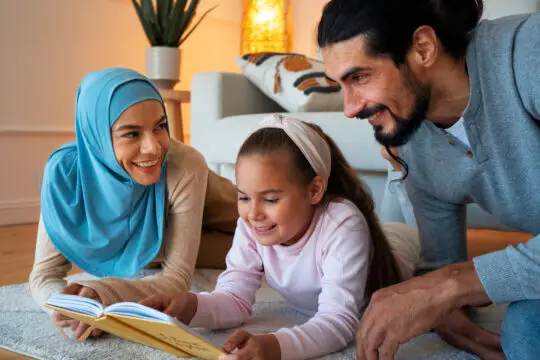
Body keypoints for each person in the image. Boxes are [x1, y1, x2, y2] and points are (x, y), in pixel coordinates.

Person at [317, 0, 540, 359]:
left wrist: (449, 287)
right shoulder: (414, 141)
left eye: (359, 77)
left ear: (422, 48)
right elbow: (440, 263)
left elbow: (446, 281)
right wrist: (446, 309)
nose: (349, 108)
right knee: (526, 333)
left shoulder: (529, 52)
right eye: (340, 84)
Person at [140, 114, 420, 360]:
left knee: (404, 227)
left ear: (314, 191)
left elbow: (340, 321)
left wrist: (274, 346)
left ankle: (399, 168)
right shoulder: (252, 222)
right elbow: (234, 299)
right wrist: (188, 305)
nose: (253, 213)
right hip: (361, 239)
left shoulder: (342, 223)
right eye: (243, 197)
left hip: (402, 247)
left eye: (271, 199)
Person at [29, 68, 238, 340]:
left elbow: (176, 280)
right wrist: (69, 308)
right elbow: (43, 275)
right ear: (98, 136)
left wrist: (103, 293)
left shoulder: (183, 165)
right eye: (131, 134)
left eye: (160, 126)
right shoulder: (63, 175)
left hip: (225, 210)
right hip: (161, 247)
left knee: (272, 241)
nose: (154, 148)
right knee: (260, 255)